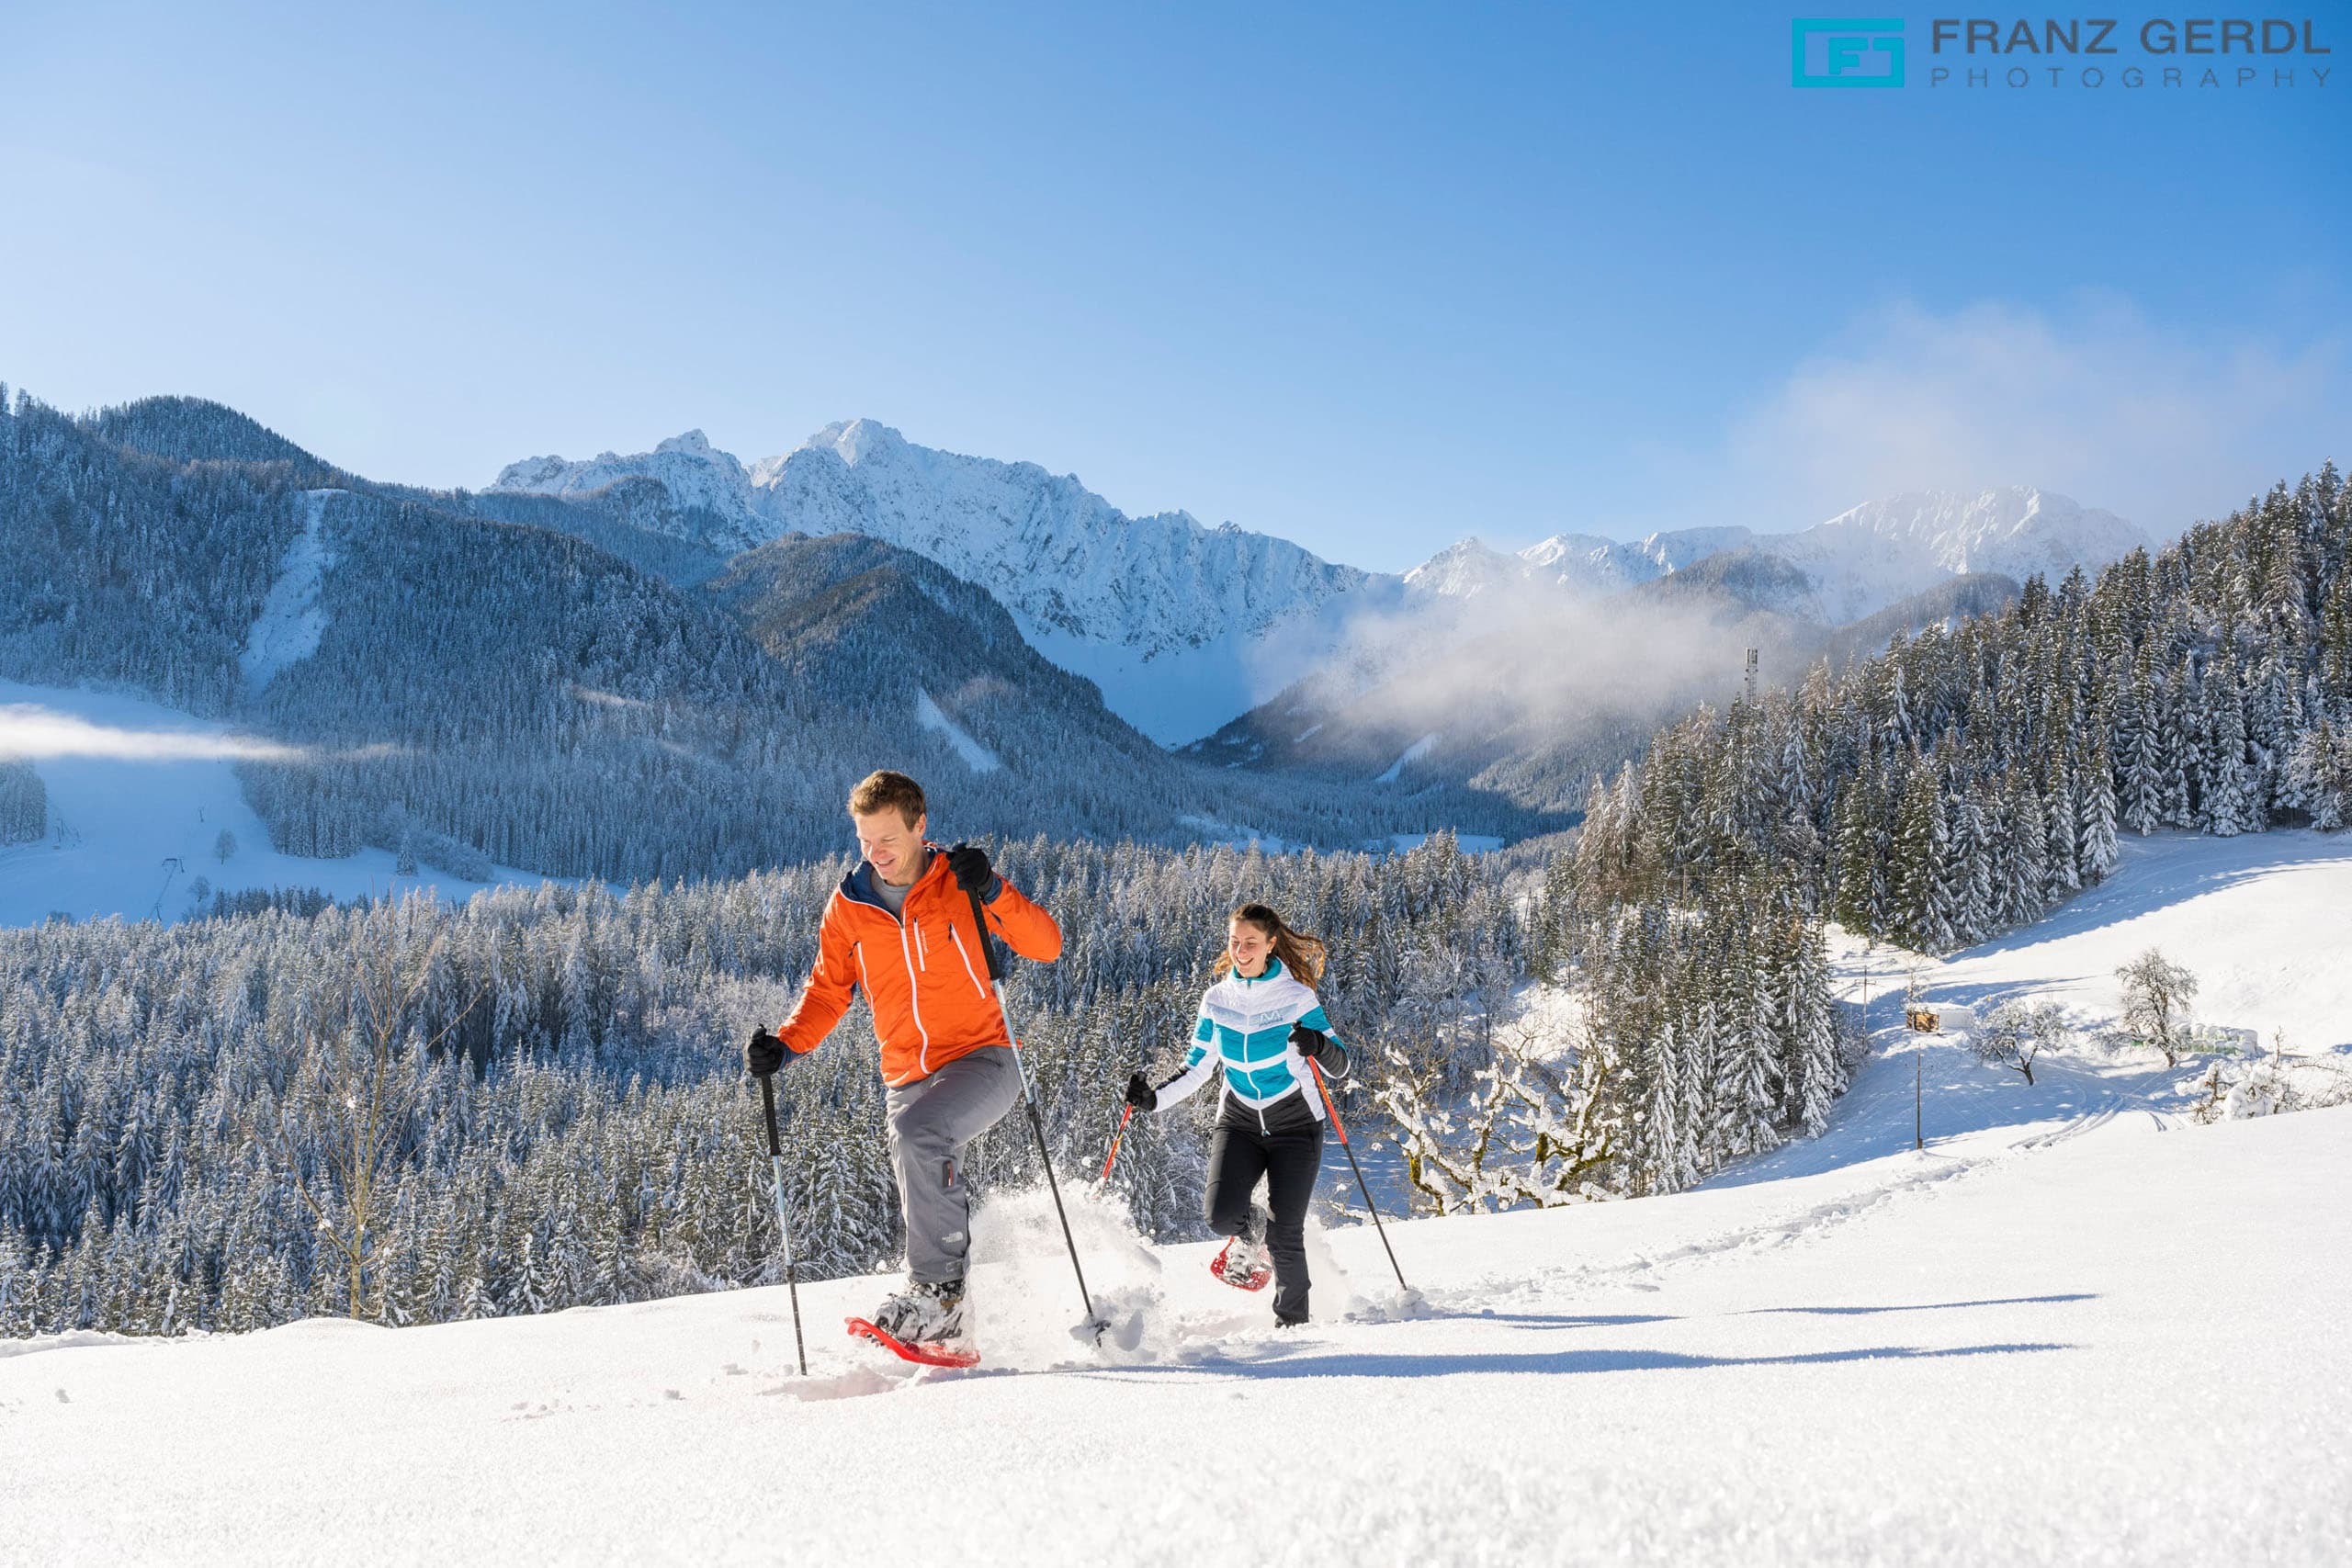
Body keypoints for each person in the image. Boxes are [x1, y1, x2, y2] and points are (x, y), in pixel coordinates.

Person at [745, 770, 1061, 1350]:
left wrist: (991, 888)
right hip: (906, 1075)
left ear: (921, 826)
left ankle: (939, 1296)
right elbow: (827, 991)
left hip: (983, 1057)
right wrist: (786, 1045)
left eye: (887, 839)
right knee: (917, 1153)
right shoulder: (850, 908)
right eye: (864, 841)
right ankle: (950, 1325)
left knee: (920, 1135)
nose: (876, 854)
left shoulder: (961, 883)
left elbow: (1046, 944)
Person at [1123, 902, 1351, 1326]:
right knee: (1220, 1216)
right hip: (1240, 1121)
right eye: (1234, 942)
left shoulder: (1297, 998)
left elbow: (1341, 1066)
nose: (1241, 951)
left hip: (1295, 1126)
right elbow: (1196, 1067)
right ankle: (1253, 1232)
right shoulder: (1216, 1000)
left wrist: (1317, 1045)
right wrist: (1151, 1099)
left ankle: (1292, 1325)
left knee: (1287, 1233)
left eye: (1250, 942)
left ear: (1270, 945)